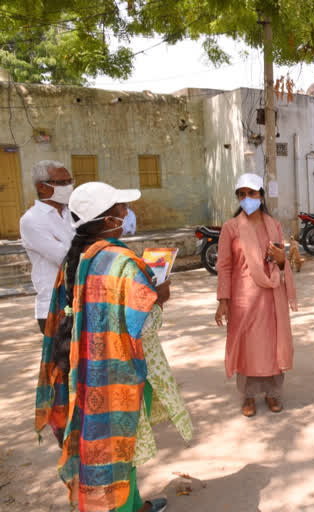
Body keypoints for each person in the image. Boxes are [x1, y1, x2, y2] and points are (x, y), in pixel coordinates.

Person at [35, 181, 192, 512]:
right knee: (121, 446)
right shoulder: (123, 262)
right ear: (108, 221)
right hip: (118, 374)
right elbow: (142, 326)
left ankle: (134, 504)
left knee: (99, 447)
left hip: (81, 369)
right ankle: (122, 507)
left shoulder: (76, 258)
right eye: (121, 208)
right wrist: (159, 297)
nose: (126, 213)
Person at [215, 173, 297, 417]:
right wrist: (223, 301)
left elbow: (279, 260)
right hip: (243, 298)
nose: (247, 198)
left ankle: (273, 394)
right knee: (248, 347)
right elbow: (225, 266)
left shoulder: (273, 225)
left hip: (272, 296)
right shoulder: (231, 228)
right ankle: (248, 396)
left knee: (272, 345)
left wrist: (283, 262)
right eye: (242, 194)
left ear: (261, 195)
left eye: (251, 193)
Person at [19, 160, 75, 334]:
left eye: (70, 181)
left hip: (83, 301)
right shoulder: (32, 220)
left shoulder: (73, 214)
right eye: (61, 183)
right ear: (42, 187)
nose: (68, 187)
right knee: (64, 361)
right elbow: (65, 257)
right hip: (54, 306)